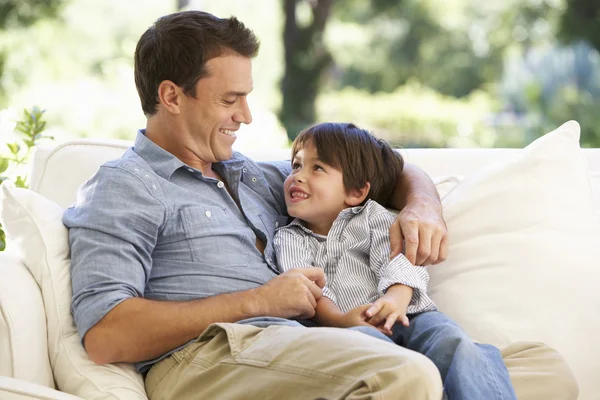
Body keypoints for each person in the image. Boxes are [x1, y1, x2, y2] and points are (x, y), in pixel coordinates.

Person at [62, 10, 578, 400]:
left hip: (301, 345)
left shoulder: (253, 176)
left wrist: (423, 207)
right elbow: (106, 336)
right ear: (171, 96)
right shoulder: (124, 186)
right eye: (228, 100)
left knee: (544, 369)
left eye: (246, 97)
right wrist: (258, 301)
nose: (245, 115)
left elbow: (388, 170)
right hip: (213, 354)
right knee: (404, 373)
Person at [273, 122, 517, 400]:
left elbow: (400, 259)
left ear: (356, 192)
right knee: (377, 354)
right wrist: (341, 320)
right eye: (295, 166)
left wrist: (395, 300)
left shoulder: (374, 218)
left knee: (453, 341)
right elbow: (308, 290)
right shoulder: (288, 237)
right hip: (343, 329)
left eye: (317, 168)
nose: (297, 177)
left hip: (409, 315)